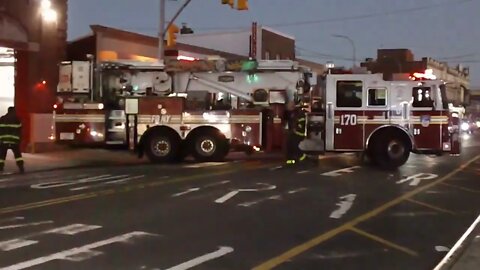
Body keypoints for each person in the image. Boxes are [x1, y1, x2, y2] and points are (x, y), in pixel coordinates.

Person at [0, 107, 24, 173]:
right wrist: (20, 139)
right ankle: (21, 167)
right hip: (14, 141)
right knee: (18, 155)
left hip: (4, 140)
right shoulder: (16, 120)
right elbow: (20, 130)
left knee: (2, 155)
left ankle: (0, 167)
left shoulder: (2, 119)